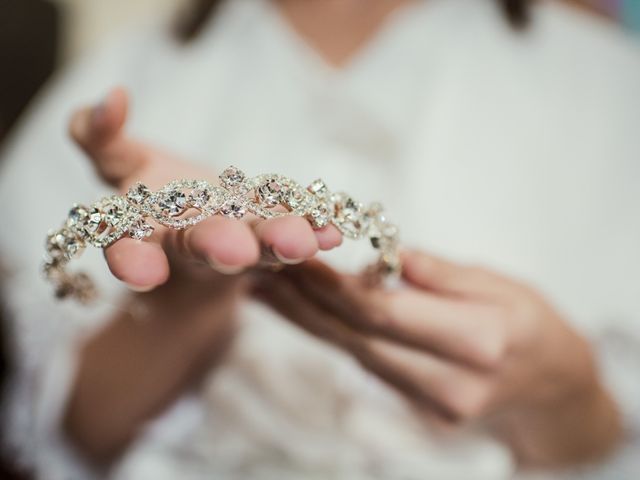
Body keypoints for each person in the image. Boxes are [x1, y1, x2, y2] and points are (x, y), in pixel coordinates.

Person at [1, 0, 639, 478]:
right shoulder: (136, 72)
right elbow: (71, 435)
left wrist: (566, 400)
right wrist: (186, 301)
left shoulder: (609, 91)